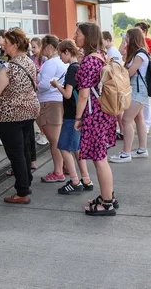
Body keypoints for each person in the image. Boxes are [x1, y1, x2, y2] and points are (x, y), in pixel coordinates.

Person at [0, 28, 40, 204]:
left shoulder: (8, 67)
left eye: (7, 44)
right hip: (29, 110)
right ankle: (26, 182)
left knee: (16, 153)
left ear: (15, 44)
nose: (4, 47)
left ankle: (22, 191)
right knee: (25, 149)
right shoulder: (29, 62)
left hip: (9, 115)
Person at [73, 22, 117, 215]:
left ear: (87, 37)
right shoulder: (102, 56)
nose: (75, 37)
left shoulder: (89, 61)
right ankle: (108, 196)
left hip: (94, 114)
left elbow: (83, 95)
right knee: (102, 158)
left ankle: (106, 203)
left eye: (78, 34)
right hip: (104, 112)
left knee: (99, 160)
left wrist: (77, 117)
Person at [52, 38, 94, 194]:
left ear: (67, 52)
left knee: (63, 147)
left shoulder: (72, 69)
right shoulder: (80, 66)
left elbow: (68, 94)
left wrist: (56, 85)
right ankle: (86, 178)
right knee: (77, 148)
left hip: (71, 115)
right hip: (80, 113)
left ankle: (75, 180)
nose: (60, 58)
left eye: (60, 54)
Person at [110, 28, 150, 163]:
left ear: (133, 38)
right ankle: (142, 149)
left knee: (126, 120)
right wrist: (123, 44)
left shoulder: (140, 55)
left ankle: (126, 153)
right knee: (139, 119)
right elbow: (121, 53)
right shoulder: (136, 53)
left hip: (138, 90)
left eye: (127, 36)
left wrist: (118, 71)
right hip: (137, 90)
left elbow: (130, 72)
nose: (125, 38)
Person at [36, 35, 68, 182]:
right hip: (59, 102)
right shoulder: (63, 62)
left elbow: (43, 85)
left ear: (49, 47)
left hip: (49, 104)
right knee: (59, 138)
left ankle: (58, 171)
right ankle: (65, 166)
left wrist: (36, 81)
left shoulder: (50, 63)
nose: (41, 50)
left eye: (43, 47)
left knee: (54, 141)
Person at [135, 22, 151, 133]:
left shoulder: (150, 42)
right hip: (135, 76)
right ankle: (140, 124)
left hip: (145, 74)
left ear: (144, 32)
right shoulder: (133, 43)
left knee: (146, 102)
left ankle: (147, 124)